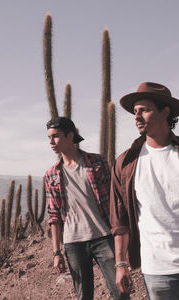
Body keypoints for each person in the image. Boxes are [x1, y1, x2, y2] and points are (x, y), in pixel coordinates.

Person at [45, 116, 128, 300]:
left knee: (120, 292)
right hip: (73, 243)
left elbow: (116, 202)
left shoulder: (97, 163)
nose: (51, 142)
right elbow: (54, 217)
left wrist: (121, 234)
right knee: (84, 296)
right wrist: (57, 252)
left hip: (103, 236)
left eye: (56, 136)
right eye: (49, 137)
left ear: (70, 136)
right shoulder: (51, 174)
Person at [110, 82, 179, 300]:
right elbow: (120, 220)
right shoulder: (126, 163)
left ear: (165, 112)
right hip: (157, 269)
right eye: (135, 111)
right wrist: (121, 264)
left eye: (144, 110)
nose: (137, 116)